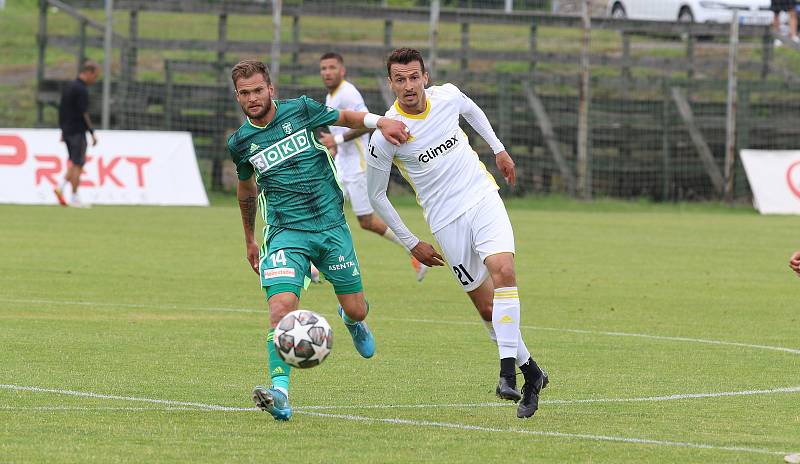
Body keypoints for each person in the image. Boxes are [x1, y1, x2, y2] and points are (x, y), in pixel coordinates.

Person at [366, 48, 548, 419]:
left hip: (482, 197)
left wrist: (498, 149)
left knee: (504, 271)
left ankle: (505, 374)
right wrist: (411, 242)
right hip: (445, 221)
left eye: (414, 77)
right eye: (399, 79)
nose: (408, 86)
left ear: (425, 77)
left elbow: (471, 109)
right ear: (390, 84)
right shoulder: (386, 133)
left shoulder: (447, 96)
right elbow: (375, 196)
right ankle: (532, 373)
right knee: (486, 307)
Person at [227, 60, 409, 421]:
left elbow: (346, 117)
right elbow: (246, 189)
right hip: (284, 234)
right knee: (280, 309)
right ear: (238, 97)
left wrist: (381, 121)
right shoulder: (240, 142)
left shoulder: (302, 110)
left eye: (258, 90)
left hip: (329, 227)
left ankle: (352, 319)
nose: (252, 98)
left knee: (357, 307)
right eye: (244, 93)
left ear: (271, 89)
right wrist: (250, 238)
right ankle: (279, 393)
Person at [317, 52, 427, 282]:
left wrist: (336, 141)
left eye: (332, 68)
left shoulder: (347, 92)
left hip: (358, 165)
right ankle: (313, 266)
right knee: (320, 208)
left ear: (342, 70)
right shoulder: (332, 96)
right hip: (342, 164)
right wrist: (335, 146)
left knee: (364, 221)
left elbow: (367, 122)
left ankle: (411, 248)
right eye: (323, 68)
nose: (327, 72)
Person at [54, 60, 100, 208]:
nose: (95, 79)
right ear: (89, 72)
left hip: (68, 131)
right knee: (78, 164)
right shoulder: (81, 90)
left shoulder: (69, 87)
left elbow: (62, 110)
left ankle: (60, 187)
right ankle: (74, 197)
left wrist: (63, 130)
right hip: (78, 132)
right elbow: (83, 113)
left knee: (74, 163)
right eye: (95, 76)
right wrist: (91, 132)